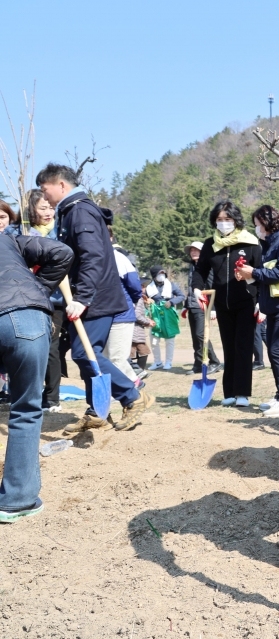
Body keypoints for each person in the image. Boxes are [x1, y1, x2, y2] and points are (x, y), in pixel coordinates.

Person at [38, 163, 153, 433]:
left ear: (61, 185)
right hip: (87, 297)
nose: (45, 197)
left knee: (84, 354)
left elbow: (93, 256)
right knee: (86, 354)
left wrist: (84, 297)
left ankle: (133, 396)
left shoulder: (79, 211)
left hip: (95, 298)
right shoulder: (71, 211)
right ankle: (97, 411)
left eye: (45, 190)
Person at [0, 232, 73, 522]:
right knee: (25, 409)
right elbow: (62, 253)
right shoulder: (10, 240)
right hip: (26, 316)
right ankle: (17, 499)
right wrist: (38, 289)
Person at [191, 201, 262, 408]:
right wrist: (197, 288)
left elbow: (260, 273)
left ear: (236, 220)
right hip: (222, 304)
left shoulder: (250, 243)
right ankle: (229, 392)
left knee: (243, 347)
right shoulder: (210, 244)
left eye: (228, 219)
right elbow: (200, 271)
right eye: (220, 220)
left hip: (246, 302)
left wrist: (260, 302)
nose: (223, 223)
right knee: (228, 348)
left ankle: (242, 393)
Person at [236, 205, 279, 418]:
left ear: (268, 222)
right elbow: (266, 275)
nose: (256, 228)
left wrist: (254, 272)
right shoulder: (267, 245)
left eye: (258, 224)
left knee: (277, 351)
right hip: (274, 306)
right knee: (275, 352)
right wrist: (250, 276)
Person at [24, 189, 66, 412]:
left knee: (51, 347)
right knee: (31, 347)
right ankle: (30, 391)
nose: (48, 212)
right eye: (43, 208)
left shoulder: (59, 234)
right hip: (31, 299)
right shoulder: (26, 235)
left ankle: (52, 397)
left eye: (50, 207)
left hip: (56, 300)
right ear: (32, 210)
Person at [184, 242, 222, 374]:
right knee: (195, 337)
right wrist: (186, 305)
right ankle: (198, 363)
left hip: (203, 305)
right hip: (192, 306)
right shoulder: (192, 267)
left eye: (196, 250)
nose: (193, 252)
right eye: (191, 250)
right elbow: (190, 288)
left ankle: (214, 362)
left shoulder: (207, 267)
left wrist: (214, 309)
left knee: (201, 335)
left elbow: (213, 287)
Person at [107, 241, 143, 382]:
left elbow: (135, 287)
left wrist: (130, 303)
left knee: (117, 357)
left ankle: (131, 384)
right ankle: (130, 383)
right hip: (102, 317)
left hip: (121, 315)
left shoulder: (119, 258)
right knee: (106, 358)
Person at [146, 265, 184, 370]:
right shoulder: (149, 288)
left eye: (163, 273)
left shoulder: (171, 285)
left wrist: (171, 302)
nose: (161, 276)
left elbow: (181, 296)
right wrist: (148, 301)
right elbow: (143, 298)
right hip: (155, 315)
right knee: (154, 340)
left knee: (169, 340)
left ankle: (168, 362)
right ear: (154, 276)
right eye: (159, 274)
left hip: (169, 314)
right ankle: (157, 362)